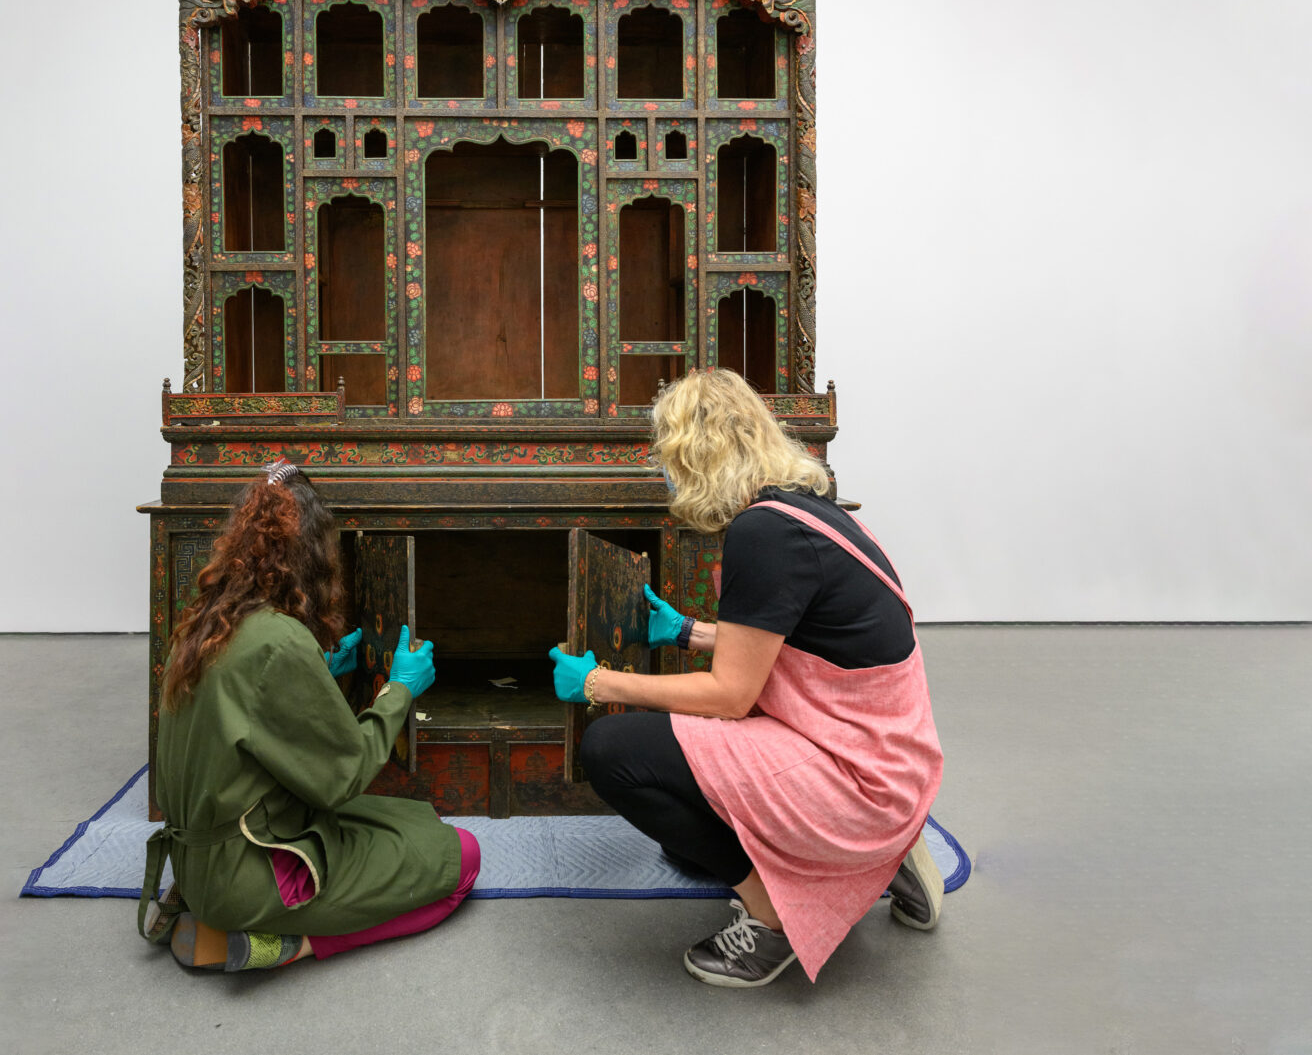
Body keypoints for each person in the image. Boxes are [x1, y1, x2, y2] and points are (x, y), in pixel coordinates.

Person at [548, 368, 944, 988]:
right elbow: (801, 644)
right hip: (892, 763)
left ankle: (773, 921)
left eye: (668, 455)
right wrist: (689, 634)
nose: (665, 471)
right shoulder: (809, 513)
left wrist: (601, 682)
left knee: (613, 752)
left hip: (860, 782)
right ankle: (882, 858)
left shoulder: (762, 533)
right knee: (687, 848)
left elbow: (731, 696)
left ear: (695, 453)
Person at [138, 460, 477, 970]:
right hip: (244, 874)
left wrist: (318, 667)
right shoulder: (279, 640)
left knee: (405, 818)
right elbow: (342, 776)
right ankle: (279, 944)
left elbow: (250, 717)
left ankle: (205, 913)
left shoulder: (206, 622)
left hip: (197, 862)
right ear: (312, 555)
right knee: (461, 857)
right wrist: (399, 691)